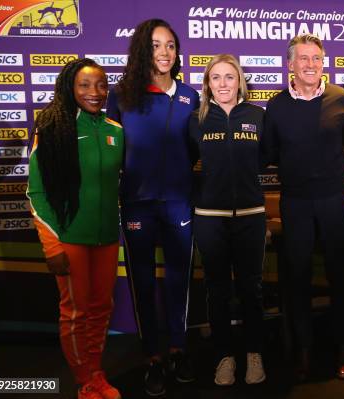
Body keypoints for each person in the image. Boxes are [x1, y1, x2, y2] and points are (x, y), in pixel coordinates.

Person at [106, 19, 199, 396]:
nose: (164, 53)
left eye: (171, 46)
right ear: (144, 49)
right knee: (142, 282)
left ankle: (178, 349)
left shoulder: (190, 96)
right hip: (137, 204)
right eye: (157, 45)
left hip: (179, 201)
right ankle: (152, 358)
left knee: (179, 280)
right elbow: (111, 150)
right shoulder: (122, 95)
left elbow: (194, 150)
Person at [262, 33, 344, 381]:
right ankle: (303, 350)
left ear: (323, 62)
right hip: (296, 202)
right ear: (290, 64)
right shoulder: (275, 106)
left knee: (338, 274)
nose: (310, 65)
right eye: (303, 58)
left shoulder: (341, 100)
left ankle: (343, 346)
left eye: (316, 58)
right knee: (298, 278)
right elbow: (269, 153)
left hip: (333, 200)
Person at [28, 58, 123, 399]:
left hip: (107, 238)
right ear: (70, 87)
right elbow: (35, 191)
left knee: (101, 308)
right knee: (75, 312)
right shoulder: (54, 129)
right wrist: (51, 245)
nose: (94, 92)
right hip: (69, 239)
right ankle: (85, 381)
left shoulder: (115, 130)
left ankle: (96, 372)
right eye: (84, 85)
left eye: (100, 85)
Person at [189, 54, 266, 386]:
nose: (223, 84)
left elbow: (267, 159)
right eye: (216, 78)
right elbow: (184, 164)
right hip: (210, 217)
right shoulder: (196, 120)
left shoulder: (258, 116)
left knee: (251, 288)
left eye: (229, 77)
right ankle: (223, 357)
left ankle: (253, 354)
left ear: (240, 81)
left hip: (251, 215)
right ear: (207, 84)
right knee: (217, 289)